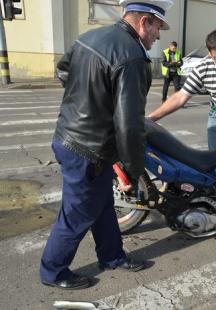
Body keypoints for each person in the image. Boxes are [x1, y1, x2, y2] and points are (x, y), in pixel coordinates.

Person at [39, 0, 173, 290]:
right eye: (157, 28)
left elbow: (63, 71)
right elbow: (128, 125)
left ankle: (112, 256)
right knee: (77, 213)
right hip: (88, 148)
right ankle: (53, 271)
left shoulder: (90, 36)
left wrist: (87, 97)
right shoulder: (133, 57)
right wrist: (133, 171)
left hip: (70, 137)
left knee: (100, 204)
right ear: (144, 22)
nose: (158, 36)